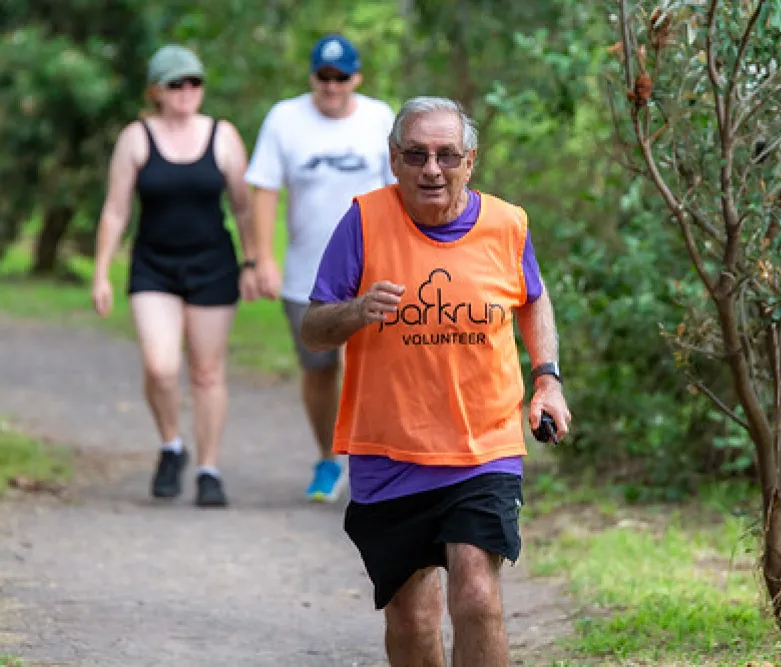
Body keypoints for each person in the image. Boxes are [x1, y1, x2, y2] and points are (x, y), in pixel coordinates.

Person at [300, 96, 572, 667]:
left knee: (477, 594)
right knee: (412, 615)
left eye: (447, 155)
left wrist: (547, 377)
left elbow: (533, 297)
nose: (432, 168)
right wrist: (355, 311)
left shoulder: (506, 224)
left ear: (469, 161)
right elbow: (314, 330)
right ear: (394, 160)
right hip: (389, 451)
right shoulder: (364, 221)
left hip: (483, 446)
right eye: (417, 154)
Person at [91, 44, 257, 508]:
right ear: (156, 90)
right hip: (154, 266)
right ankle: (171, 445)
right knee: (160, 366)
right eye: (175, 84)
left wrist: (252, 261)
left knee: (206, 371)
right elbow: (115, 209)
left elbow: (244, 208)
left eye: (194, 83)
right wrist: (102, 273)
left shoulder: (223, 136)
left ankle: (208, 468)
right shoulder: (136, 137)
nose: (187, 92)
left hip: (212, 265)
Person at [245, 33, 396, 502]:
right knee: (318, 369)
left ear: (357, 78)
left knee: (370, 368)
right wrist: (261, 259)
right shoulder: (285, 119)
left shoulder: (379, 118)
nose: (331, 86)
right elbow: (264, 190)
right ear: (312, 76)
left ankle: (372, 465)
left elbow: (400, 191)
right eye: (323, 77)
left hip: (372, 270)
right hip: (306, 276)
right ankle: (328, 460)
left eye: (341, 77)